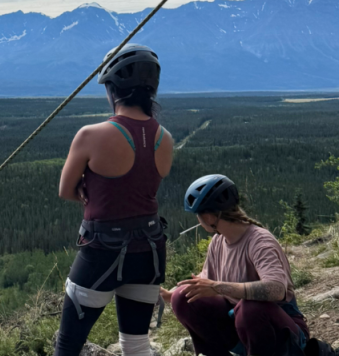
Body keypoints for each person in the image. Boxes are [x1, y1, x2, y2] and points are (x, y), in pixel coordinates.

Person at [55, 44, 174, 356]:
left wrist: (88, 186)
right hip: (149, 251)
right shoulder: (165, 138)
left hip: (101, 252)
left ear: (112, 89)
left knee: (68, 344)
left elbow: (66, 190)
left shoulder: (90, 135)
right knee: (136, 344)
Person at [161, 174, 309, 356]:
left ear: (208, 217)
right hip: (242, 327)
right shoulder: (218, 242)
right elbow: (204, 282)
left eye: (198, 216)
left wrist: (219, 287)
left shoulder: (260, 242)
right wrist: (169, 295)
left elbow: (276, 289)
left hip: (284, 334)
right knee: (182, 297)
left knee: (250, 308)